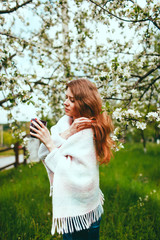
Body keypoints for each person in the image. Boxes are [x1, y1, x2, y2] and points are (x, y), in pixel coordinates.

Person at [30, 79, 114, 240]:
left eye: (72, 100)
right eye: (66, 97)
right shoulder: (65, 123)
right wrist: (68, 132)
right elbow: (43, 154)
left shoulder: (87, 133)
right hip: (70, 207)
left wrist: (49, 141)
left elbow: (72, 174)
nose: (65, 102)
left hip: (83, 210)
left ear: (84, 103)